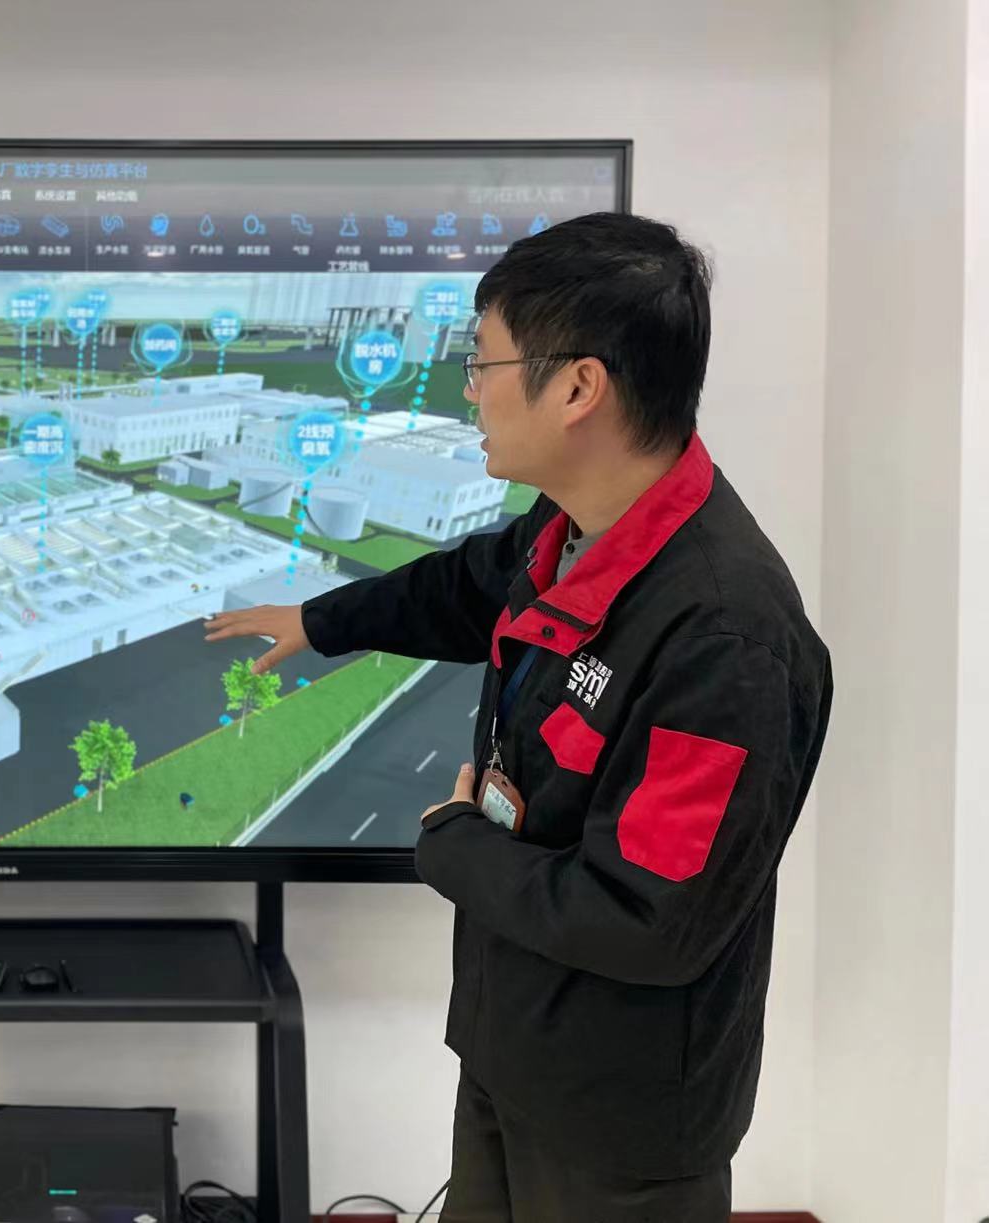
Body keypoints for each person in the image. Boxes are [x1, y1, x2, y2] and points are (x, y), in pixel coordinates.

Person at [204, 212, 831, 1223]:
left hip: (619, 1125)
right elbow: (464, 587)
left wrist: (454, 846)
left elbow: (649, 920)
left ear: (578, 388)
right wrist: (320, 621)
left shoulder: (724, 639)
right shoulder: (574, 529)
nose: (470, 389)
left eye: (483, 362)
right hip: (511, 1052)